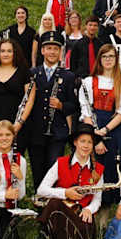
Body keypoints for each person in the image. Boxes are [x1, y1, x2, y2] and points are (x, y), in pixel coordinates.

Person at [36, 123, 103, 239]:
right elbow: (41, 190)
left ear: (93, 145)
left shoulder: (98, 169)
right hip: (62, 212)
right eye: (82, 141)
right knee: (54, 203)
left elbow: (97, 200)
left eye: (89, 142)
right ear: (75, 142)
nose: (86, 145)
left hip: (81, 215)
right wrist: (65, 193)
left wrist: (89, 209)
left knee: (84, 230)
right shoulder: (61, 162)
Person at [78, 44, 121, 204]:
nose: (108, 60)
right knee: (93, 167)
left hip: (113, 130)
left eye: (111, 56)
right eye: (104, 56)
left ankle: (113, 207)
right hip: (92, 130)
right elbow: (86, 111)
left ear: (116, 59)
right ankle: (92, 207)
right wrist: (96, 136)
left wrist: (105, 130)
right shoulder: (87, 82)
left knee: (114, 168)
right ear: (99, 59)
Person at [26, 31, 79, 182]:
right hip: (35, 130)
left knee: (53, 168)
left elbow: (74, 105)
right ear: (42, 51)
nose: (52, 52)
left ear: (60, 51)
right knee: (37, 168)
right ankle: (39, 199)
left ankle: (51, 201)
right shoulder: (32, 74)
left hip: (57, 131)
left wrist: (61, 105)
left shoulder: (68, 76)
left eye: (55, 49)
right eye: (48, 48)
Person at [0, 38, 34, 148]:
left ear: (15, 53)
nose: (6, 54)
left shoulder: (25, 73)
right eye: (2, 51)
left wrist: (19, 123)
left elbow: (30, 100)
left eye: (9, 51)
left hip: (15, 124)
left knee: (13, 162)